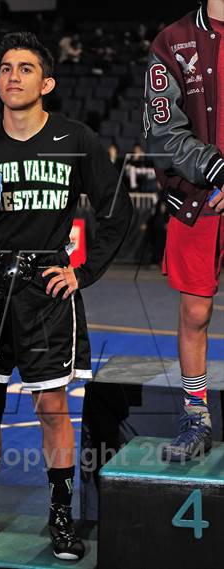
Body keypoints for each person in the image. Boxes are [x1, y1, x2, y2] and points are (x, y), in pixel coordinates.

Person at [0, 32, 132, 560]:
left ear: (46, 82)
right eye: (4, 68)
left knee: (51, 407)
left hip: (45, 285)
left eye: (24, 68)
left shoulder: (76, 139)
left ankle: (61, 520)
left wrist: (82, 273)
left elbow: (118, 210)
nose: (12, 76)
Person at [144, 0, 224, 461]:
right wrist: (217, 169)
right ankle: (196, 417)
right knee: (195, 314)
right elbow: (162, 132)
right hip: (200, 199)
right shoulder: (172, 41)